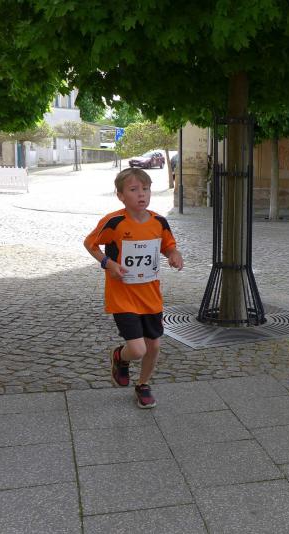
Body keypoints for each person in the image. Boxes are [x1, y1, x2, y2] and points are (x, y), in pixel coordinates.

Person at [83, 168, 184, 408]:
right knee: (138, 350)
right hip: (123, 296)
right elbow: (90, 244)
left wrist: (174, 254)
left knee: (154, 346)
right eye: (134, 189)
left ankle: (143, 384)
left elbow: (168, 246)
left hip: (150, 295)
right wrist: (108, 263)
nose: (141, 194)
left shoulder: (159, 222)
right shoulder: (114, 222)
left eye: (145, 189)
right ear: (120, 196)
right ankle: (120, 356)